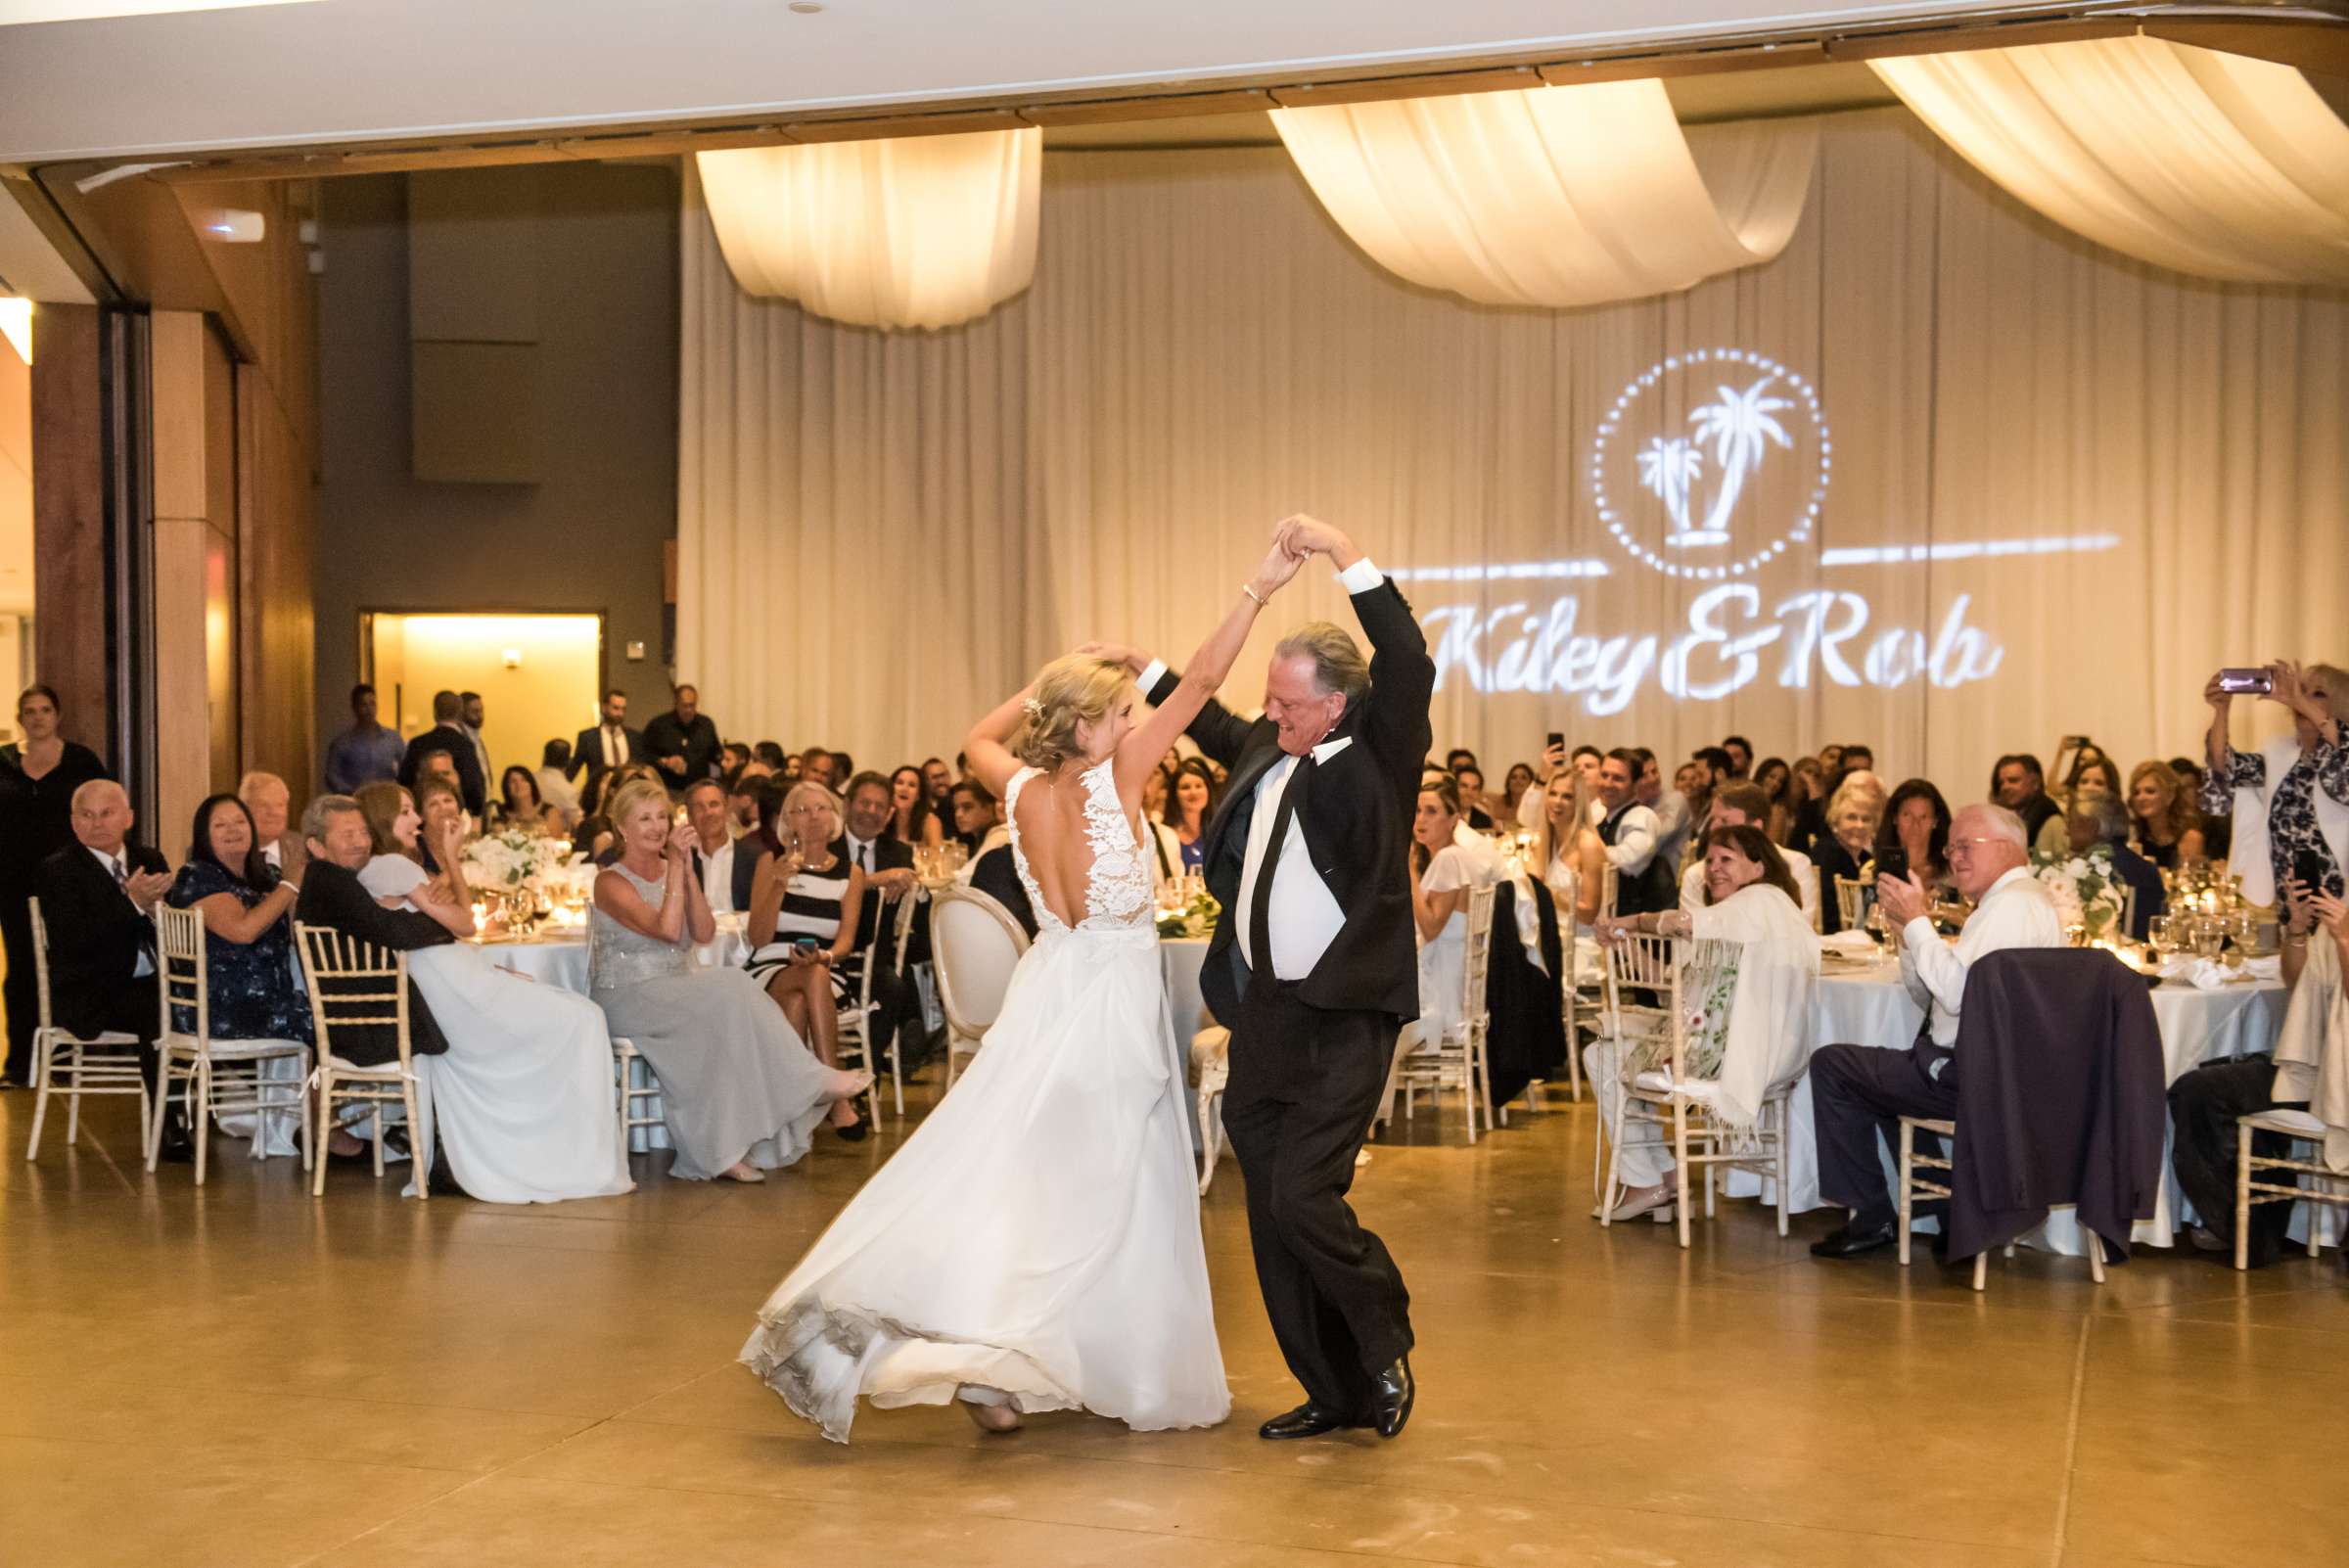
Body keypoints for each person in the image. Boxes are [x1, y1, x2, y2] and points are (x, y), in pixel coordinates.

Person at [743, 523, 1308, 1448]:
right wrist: (1258, 589)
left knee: (1026, 1177)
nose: (1136, 722)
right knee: (1105, 1189)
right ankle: (1026, 1356)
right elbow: (1202, 684)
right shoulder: (1114, 778)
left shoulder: (1020, 792)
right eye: (1121, 711)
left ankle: (1002, 1367)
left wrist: (1049, 677)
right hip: (1109, 1003)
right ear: (1091, 726)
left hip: (1050, 991)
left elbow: (976, 736)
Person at [1106, 515, 1427, 1443]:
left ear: (1336, 703)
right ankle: (1334, 1390)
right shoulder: (1266, 747)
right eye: (1272, 703)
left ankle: (1382, 1340)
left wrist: (1341, 553)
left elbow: (1406, 656)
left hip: (1346, 1012)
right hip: (1267, 1013)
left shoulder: (1377, 752)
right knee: (1270, 1214)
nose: (1274, 717)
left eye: (1290, 705)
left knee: (1303, 1195)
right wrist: (1144, 666)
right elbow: (1208, 718)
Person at [345, 786, 636, 1203]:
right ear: (383, 819)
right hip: (453, 991)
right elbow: (466, 922)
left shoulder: (391, 869)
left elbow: (446, 915)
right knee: (584, 1018)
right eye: (407, 812)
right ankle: (570, 1158)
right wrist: (451, 859)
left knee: (576, 1011)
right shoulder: (392, 865)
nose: (417, 821)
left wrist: (444, 875)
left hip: (451, 977)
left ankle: (551, 1150)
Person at [1807, 805, 2065, 1259]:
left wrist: (1920, 920)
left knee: (1834, 1065)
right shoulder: (2015, 902)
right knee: (1884, 1074)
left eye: (1967, 847)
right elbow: (1929, 994)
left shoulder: (2011, 906)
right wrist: (1909, 933)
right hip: (1990, 1071)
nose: (1955, 858)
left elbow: (1955, 994)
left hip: (1979, 1079)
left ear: (2008, 849)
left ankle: (1874, 1213)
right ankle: (1945, 1205)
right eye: (1952, 848)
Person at [592, 776, 867, 1183]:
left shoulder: (676, 868)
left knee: (728, 1017)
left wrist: (684, 872)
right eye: (644, 819)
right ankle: (808, 1078)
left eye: (662, 817)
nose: (656, 827)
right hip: (627, 995)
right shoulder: (609, 881)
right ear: (622, 829)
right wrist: (677, 871)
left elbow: (702, 932)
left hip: (675, 989)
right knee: (732, 986)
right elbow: (668, 931)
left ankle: (727, 1150)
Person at [1591, 823, 1818, 1221]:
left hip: (1738, 1057)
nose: (1714, 868)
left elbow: (1680, 924)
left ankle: (1650, 1179)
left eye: (1727, 859)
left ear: (1759, 868)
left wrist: (1628, 921)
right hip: (1777, 1056)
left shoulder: (1759, 902)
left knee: (1601, 1054)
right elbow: (1673, 984)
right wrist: (1624, 941)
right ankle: (1662, 1176)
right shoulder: (1754, 913)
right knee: (1611, 1049)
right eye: (1710, 860)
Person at [296, 792, 458, 1164]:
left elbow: (381, 924)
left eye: (363, 832)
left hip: (355, 1018)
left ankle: (421, 1131)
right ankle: (444, 1147)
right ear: (316, 846)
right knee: (462, 1025)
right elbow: (389, 931)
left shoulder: (327, 879)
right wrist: (438, 918)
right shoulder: (332, 880)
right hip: (366, 1027)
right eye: (347, 834)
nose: (361, 842)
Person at [30, 780, 186, 1158]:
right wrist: (131, 902)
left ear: (128, 817)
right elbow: (75, 941)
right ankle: (170, 1125)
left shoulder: (149, 860)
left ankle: (204, 1110)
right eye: (86, 815)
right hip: (90, 990)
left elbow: (174, 929)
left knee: (189, 999)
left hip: (149, 981)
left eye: (107, 813)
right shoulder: (59, 869)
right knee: (159, 1009)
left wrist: (155, 911)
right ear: (73, 822)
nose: (96, 823)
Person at [743, 781, 870, 1139]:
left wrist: (823, 956)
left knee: (804, 991)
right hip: (770, 966)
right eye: (802, 810)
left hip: (825, 967)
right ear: (787, 822)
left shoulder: (851, 873)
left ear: (833, 819)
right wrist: (778, 885)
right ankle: (833, 1090)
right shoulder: (770, 862)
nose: (813, 817)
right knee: (807, 979)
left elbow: (845, 942)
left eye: (821, 808)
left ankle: (793, 1108)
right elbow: (758, 938)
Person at [0, 685, 113, 1085]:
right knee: (21, 972)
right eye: (29, 711)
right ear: (20, 718)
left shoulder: (81, 761)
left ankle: (64, 1058)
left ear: (58, 715)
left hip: (69, 879)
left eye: (45, 709)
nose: (38, 717)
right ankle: (20, 1063)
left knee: (67, 965)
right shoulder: (4, 761)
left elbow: (108, 811)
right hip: (13, 882)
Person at [165, 793, 312, 1050]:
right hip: (222, 1007)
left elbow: (295, 931)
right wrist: (291, 884)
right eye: (220, 825)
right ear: (204, 835)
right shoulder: (198, 876)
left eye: (240, 822)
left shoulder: (269, 875)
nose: (233, 830)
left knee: (342, 1008)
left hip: (273, 1000)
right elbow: (243, 931)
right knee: (334, 1021)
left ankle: (308, 1090)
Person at [2202, 660, 2349, 904]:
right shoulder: (2279, 753)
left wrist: (2298, 700)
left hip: (2338, 898)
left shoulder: (2340, 756)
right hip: (2287, 895)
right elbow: (2224, 768)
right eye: (2302, 691)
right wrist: (2221, 710)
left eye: (2318, 694)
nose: (2301, 700)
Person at [1409, 776, 1500, 1048]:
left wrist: (1409, 871)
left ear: (1454, 820)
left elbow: (1431, 927)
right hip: (1450, 980)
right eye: (1417, 810)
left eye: (1432, 811)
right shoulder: (1456, 857)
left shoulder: (1450, 859)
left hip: (1441, 991)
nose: (1421, 819)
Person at [1681, 782, 1818, 927]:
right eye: (1712, 819)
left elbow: (1802, 930)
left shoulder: (1796, 865)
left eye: (1724, 820)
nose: (1713, 828)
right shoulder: (1696, 875)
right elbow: (1691, 937)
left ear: (1755, 827)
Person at [2066, 789, 2166, 941]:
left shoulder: (2087, 870)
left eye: (2071, 823)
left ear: (2091, 826)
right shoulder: (2147, 869)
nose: (2067, 831)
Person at [1595, 748, 1674, 917]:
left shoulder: (1641, 816)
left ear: (1636, 784)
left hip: (1632, 932)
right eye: (1604, 775)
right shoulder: (1603, 816)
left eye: (1618, 778)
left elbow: (1628, 861)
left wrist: (1586, 851)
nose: (1608, 784)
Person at [1813, 770, 1886, 935]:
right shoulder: (1828, 854)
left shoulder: (1866, 859)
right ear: (1836, 820)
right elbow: (1829, 920)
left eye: (1866, 819)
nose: (1859, 826)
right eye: (1851, 817)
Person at [398, 690, 487, 817]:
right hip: (457, 814)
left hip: (422, 814)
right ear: (459, 713)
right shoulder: (464, 745)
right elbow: (473, 787)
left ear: (435, 713)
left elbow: (404, 783)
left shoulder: (417, 743)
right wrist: (475, 813)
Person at [1870, 779, 1953, 899]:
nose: (1915, 825)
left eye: (1923, 817)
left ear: (1935, 821)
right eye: (1907, 815)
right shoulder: (1873, 872)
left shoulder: (1949, 873)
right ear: (1895, 818)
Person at [324, 682, 404, 795]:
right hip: (354, 801)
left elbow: (405, 769)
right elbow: (332, 776)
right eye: (364, 705)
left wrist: (397, 788)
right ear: (354, 708)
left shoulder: (393, 739)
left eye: (372, 704)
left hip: (387, 800)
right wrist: (351, 792)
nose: (369, 709)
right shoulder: (342, 743)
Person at [2126, 759, 2205, 871]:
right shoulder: (2133, 839)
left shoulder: (2190, 839)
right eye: (2136, 792)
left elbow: (2190, 885)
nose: (2141, 798)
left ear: (2170, 796)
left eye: (2150, 791)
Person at [569, 688, 645, 804]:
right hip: (598, 798)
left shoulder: (635, 738)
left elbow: (641, 768)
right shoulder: (588, 737)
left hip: (628, 797)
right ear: (604, 708)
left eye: (623, 709)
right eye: (615, 708)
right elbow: (574, 768)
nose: (620, 713)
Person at [644, 684, 721, 789]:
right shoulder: (658, 726)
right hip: (668, 788)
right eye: (685, 705)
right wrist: (665, 762)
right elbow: (644, 756)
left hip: (699, 788)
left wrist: (716, 781)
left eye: (692, 705)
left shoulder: (706, 724)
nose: (689, 710)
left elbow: (715, 756)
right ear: (676, 703)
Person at [1990, 753, 2065, 858]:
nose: (2005, 787)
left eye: (2013, 780)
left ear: (2035, 783)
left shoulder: (2052, 820)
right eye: (2001, 782)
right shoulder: (2005, 818)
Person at [1162, 757, 1219, 876]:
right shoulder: (1164, 835)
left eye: (1198, 786)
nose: (1193, 792)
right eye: (1185, 787)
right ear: (1174, 794)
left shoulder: (1219, 832)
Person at [492, 765, 561, 837]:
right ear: (506, 788)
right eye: (512, 781)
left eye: (524, 780)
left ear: (531, 785)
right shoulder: (499, 812)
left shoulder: (549, 811)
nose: (519, 784)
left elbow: (554, 839)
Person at [888, 763, 944, 850]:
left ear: (918, 796)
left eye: (912, 785)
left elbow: (939, 858)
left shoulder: (930, 822)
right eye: (899, 783)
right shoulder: (882, 818)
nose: (904, 789)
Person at [948, 777, 1003, 858]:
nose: (958, 814)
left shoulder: (999, 838)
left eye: (967, 807)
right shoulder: (976, 840)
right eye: (956, 808)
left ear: (988, 808)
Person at [537, 740, 583, 829]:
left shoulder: (529, 781)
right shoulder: (570, 791)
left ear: (544, 757)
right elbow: (577, 823)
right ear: (569, 761)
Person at [1753, 757, 1795, 846]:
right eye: (1771, 776)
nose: (1775, 783)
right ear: (1761, 775)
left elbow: (1772, 845)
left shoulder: (1778, 810)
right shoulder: (1745, 799)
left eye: (1780, 781)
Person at [457, 691, 494, 790]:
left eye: (481, 710)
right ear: (462, 712)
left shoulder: (478, 739)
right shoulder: (459, 740)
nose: (480, 715)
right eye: (474, 711)